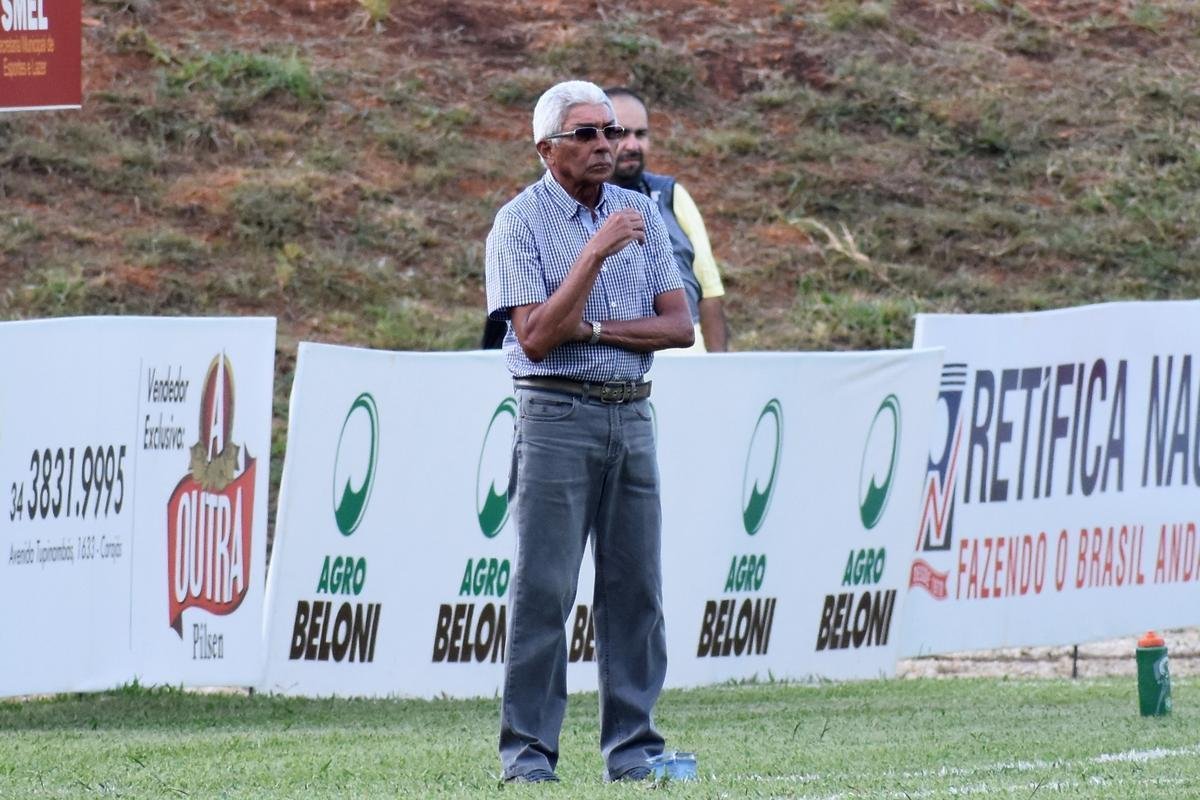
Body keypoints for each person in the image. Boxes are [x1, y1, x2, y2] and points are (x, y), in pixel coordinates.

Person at [484, 79, 693, 784]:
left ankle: (635, 752)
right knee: (544, 589)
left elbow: (679, 325)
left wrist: (598, 327)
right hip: (556, 415)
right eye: (588, 135)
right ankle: (529, 757)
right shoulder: (518, 223)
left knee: (637, 590)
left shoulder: (642, 210)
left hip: (631, 410)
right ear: (547, 149)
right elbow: (538, 336)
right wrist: (594, 254)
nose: (608, 144)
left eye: (610, 131)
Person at [606, 86, 730, 352]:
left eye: (641, 134)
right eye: (621, 133)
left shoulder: (671, 194)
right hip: (611, 357)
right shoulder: (570, 205)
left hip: (685, 357)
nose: (633, 145)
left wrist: (720, 368)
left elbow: (709, 290)